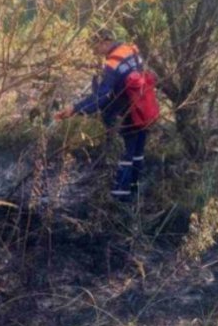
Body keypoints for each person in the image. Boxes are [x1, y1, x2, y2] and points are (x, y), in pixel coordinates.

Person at [55, 28, 151, 203]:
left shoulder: (113, 62)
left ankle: (121, 198)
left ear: (105, 42)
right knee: (137, 151)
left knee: (125, 153)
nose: (94, 51)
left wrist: (75, 109)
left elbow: (102, 96)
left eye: (96, 46)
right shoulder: (131, 50)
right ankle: (134, 190)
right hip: (144, 107)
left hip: (126, 112)